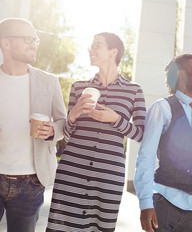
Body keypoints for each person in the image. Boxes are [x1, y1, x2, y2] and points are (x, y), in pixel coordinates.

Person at [46, 32, 146, 231]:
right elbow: (66, 135)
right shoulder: (78, 87)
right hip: (71, 172)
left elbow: (142, 134)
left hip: (108, 177)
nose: (90, 50)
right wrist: (73, 115)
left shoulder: (134, 90)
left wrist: (116, 120)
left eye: (96, 45)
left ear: (113, 51)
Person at [134, 54, 192, 232]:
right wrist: (145, 204)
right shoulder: (162, 108)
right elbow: (146, 156)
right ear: (181, 74)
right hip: (165, 203)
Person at [0, 17, 67, 232]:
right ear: (6, 43)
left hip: (30, 182)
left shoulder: (48, 81)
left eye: (35, 39)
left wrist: (51, 132)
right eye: (27, 38)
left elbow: (63, 123)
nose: (34, 43)